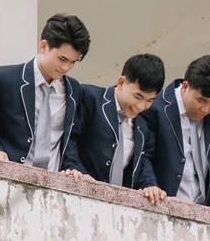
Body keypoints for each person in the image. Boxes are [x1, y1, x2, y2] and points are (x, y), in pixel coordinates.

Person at [0, 15, 90, 172]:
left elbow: (70, 139)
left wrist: (71, 167)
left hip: (54, 179)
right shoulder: (4, 79)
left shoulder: (74, 90)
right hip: (9, 173)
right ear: (43, 46)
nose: (66, 67)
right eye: (62, 59)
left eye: (73, 62)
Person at [142, 55, 210, 209]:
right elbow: (144, 155)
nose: (206, 109)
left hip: (205, 209)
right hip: (162, 204)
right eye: (201, 100)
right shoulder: (156, 106)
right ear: (185, 86)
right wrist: (149, 184)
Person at [65, 54, 163, 191]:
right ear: (121, 82)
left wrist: (149, 185)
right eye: (138, 96)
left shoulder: (143, 126)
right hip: (77, 188)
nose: (141, 106)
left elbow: (142, 163)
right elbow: (69, 138)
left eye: (150, 100)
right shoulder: (89, 98)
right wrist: (75, 168)